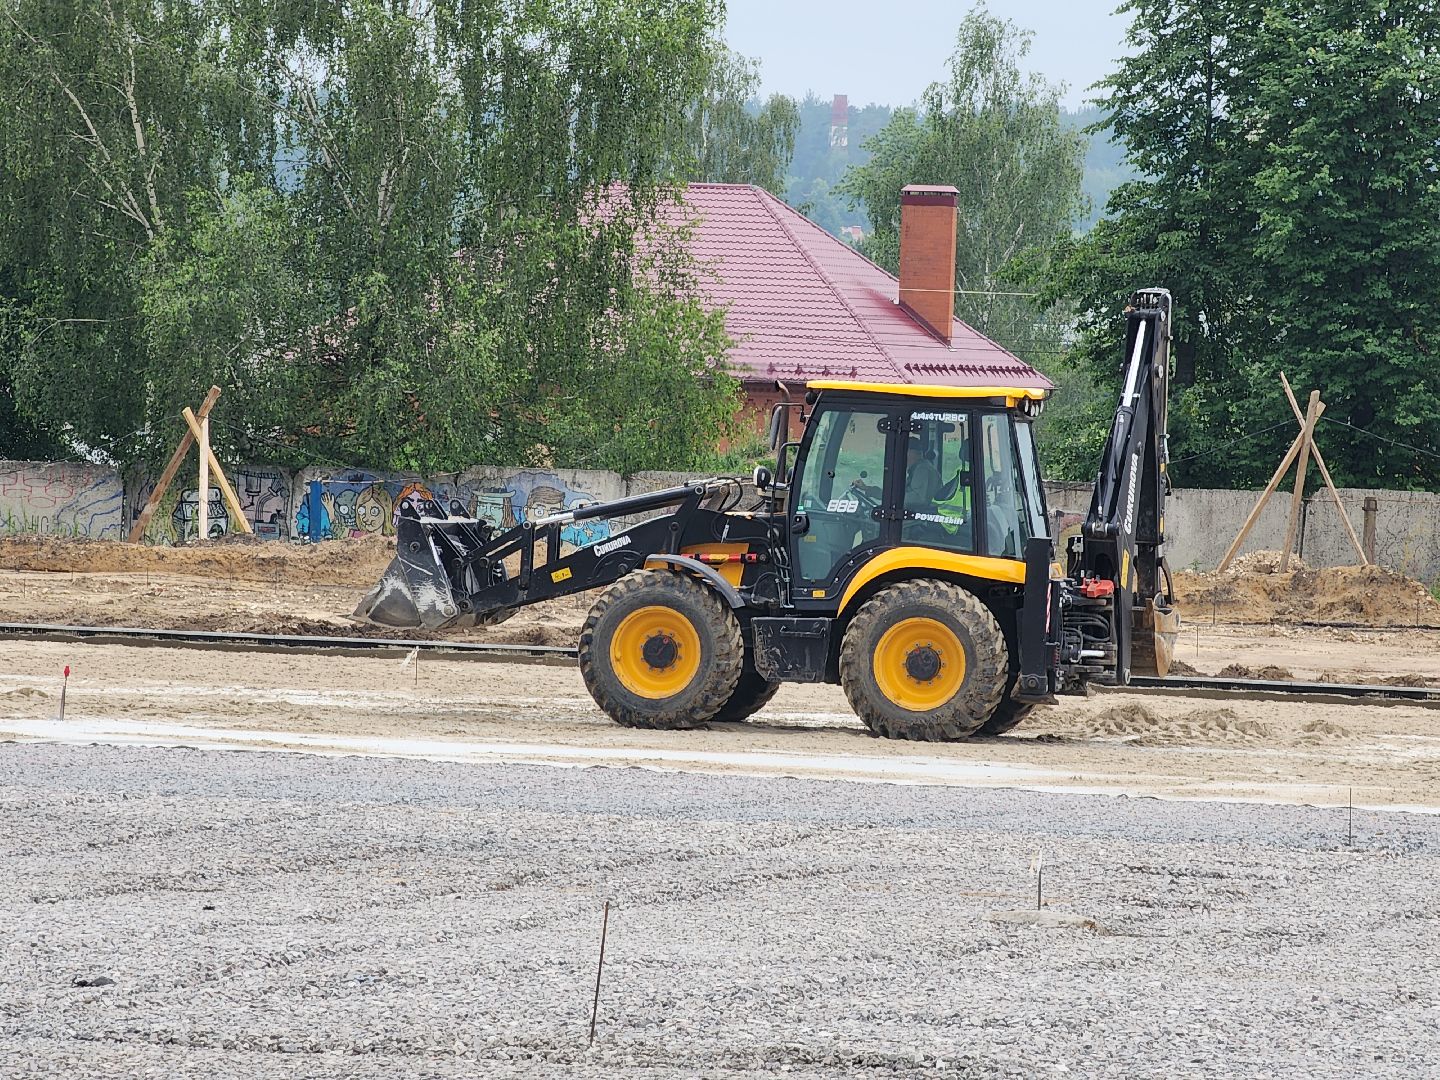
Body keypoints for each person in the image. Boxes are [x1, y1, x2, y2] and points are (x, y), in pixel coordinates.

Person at [904, 437, 942, 510]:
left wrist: (893, 497)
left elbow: (919, 499)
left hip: (920, 516)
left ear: (910, 452)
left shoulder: (922, 470)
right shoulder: (918, 469)